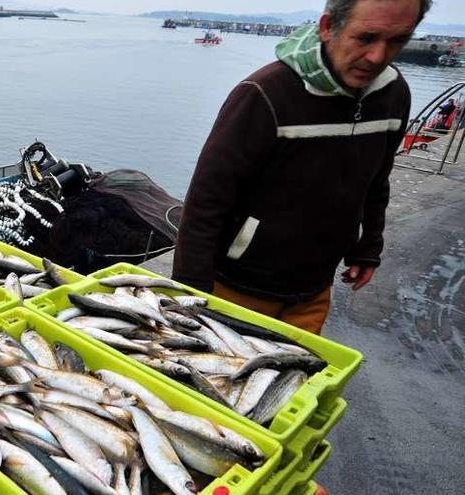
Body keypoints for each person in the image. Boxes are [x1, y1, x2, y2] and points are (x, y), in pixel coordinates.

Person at [173, 0, 432, 335]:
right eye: (365, 38)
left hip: (314, 290)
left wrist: (368, 247)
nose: (378, 57)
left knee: (297, 380)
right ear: (327, 27)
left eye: (397, 40)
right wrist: (188, 295)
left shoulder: (394, 94)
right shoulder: (264, 95)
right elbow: (206, 202)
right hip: (236, 289)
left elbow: (377, 178)